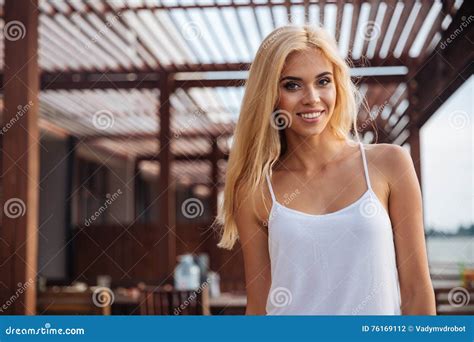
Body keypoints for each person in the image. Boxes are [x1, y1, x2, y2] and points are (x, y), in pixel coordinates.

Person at [216, 25, 436, 315]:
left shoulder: (390, 164)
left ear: (337, 85)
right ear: (269, 94)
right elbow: (259, 305)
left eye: (323, 81)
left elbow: (416, 292)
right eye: (292, 85)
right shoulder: (254, 188)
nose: (312, 98)